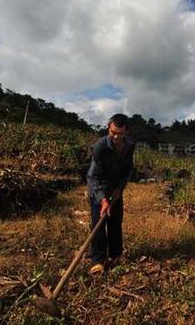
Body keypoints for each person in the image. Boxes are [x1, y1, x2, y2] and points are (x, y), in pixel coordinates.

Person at [86, 113, 135, 274]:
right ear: (108, 128)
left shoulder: (129, 145)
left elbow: (127, 169)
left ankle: (115, 255)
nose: (115, 136)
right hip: (98, 187)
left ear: (126, 132)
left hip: (115, 188)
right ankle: (98, 260)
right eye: (113, 132)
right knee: (98, 224)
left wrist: (119, 188)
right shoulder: (99, 147)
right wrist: (103, 199)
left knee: (115, 221)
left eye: (120, 133)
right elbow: (94, 176)